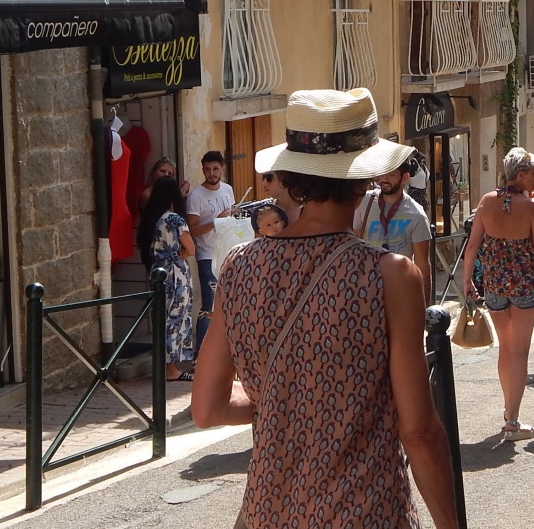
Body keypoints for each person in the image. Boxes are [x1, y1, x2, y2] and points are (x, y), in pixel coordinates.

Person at [191, 87, 458, 528]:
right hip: (364, 511)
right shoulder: (390, 275)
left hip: (269, 512)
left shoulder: (239, 268)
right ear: (363, 179)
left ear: (295, 174)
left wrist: (290, 402)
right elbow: (419, 431)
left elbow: (208, 409)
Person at [461, 147, 534, 441]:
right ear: (521, 175)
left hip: (495, 283)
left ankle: (508, 408)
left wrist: (467, 283)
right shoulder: (530, 206)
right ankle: (512, 418)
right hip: (524, 283)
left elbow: (472, 245)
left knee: (506, 348)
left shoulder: (486, 202)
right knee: (520, 351)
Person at [136, 176, 196, 382]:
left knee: (162, 318)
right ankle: (172, 369)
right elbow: (191, 247)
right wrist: (183, 250)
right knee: (176, 319)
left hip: (158, 271)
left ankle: (163, 366)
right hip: (175, 273)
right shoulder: (174, 220)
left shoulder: (152, 218)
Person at [354, 158, 434, 303]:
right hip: (367, 289)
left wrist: (425, 306)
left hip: (400, 291)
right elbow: (353, 243)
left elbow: (422, 262)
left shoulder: (416, 214)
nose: (384, 179)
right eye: (383, 173)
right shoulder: (364, 202)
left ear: (405, 178)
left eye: (391, 174)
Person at [186, 151, 234, 352]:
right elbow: (192, 230)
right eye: (207, 169)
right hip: (207, 256)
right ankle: (200, 354)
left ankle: (226, 352)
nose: (211, 173)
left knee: (230, 302)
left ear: (222, 168)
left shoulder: (228, 189)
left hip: (229, 252)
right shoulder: (196, 196)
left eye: (215, 169)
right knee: (208, 305)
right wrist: (215, 222)